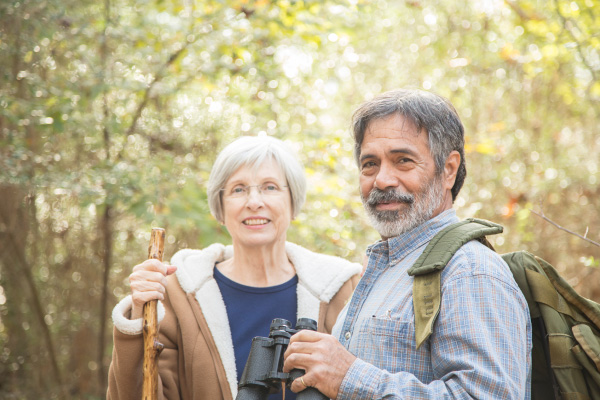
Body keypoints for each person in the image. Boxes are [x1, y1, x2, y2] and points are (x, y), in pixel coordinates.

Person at [283, 89, 532, 399]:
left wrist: (349, 377)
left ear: (448, 170)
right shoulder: (389, 267)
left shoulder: (469, 271)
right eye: (369, 164)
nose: (382, 180)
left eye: (403, 161)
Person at [107, 136, 362, 400]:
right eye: (238, 189)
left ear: (293, 201)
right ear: (221, 206)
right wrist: (140, 316)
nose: (254, 201)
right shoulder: (178, 293)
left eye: (270, 187)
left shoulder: (342, 289)